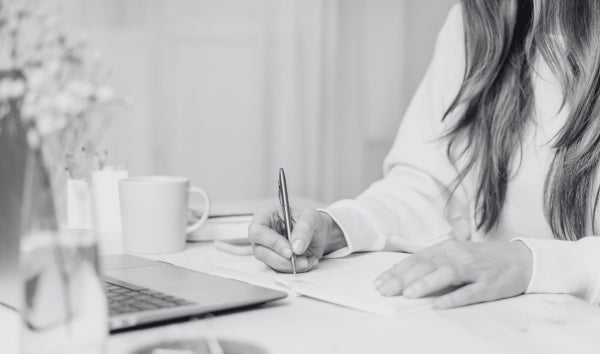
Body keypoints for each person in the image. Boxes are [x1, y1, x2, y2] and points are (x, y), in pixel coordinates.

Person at [249, 0, 600, 309]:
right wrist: (339, 228)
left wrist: (531, 264)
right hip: (496, 326)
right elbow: (428, 189)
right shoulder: (475, 25)